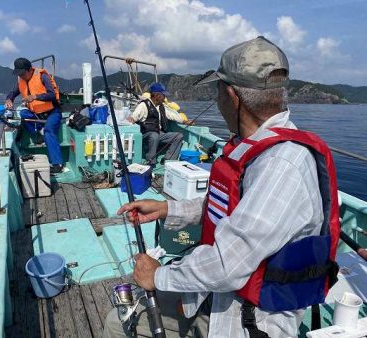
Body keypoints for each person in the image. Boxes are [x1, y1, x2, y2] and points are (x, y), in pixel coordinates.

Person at [103, 36, 340, 337]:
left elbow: (228, 264)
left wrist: (158, 275)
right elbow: (228, 206)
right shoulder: (253, 147)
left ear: (232, 96)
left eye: (217, 91)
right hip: (212, 295)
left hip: (245, 319)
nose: (217, 101)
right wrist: (168, 209)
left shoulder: (283, 165)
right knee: (117, 321)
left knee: (117, 325)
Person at [5, 57, 64, 174]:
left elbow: (52, 95)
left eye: (22, 73)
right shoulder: (21, 80)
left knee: (49, 132)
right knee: (23, 113)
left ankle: (58, 164)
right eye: (18, 74)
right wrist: (9, 99)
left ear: (29, 70)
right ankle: (37, 135)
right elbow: (13, 92)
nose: (20, 76)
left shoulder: (43, 76)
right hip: (36, 114)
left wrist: (35, 96)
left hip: (52, 113)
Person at [129, 83, 191, 166]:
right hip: (146, 135)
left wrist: (184, 121)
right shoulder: (143, 105)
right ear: (157, 95)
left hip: (158, 133)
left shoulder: (161, 106)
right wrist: (131, 120)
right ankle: (150, 162)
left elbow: (172, 115)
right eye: (163, 95)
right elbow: (134, 117)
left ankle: (168, 160)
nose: (164, 97)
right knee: (154, 135)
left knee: (179, 136)